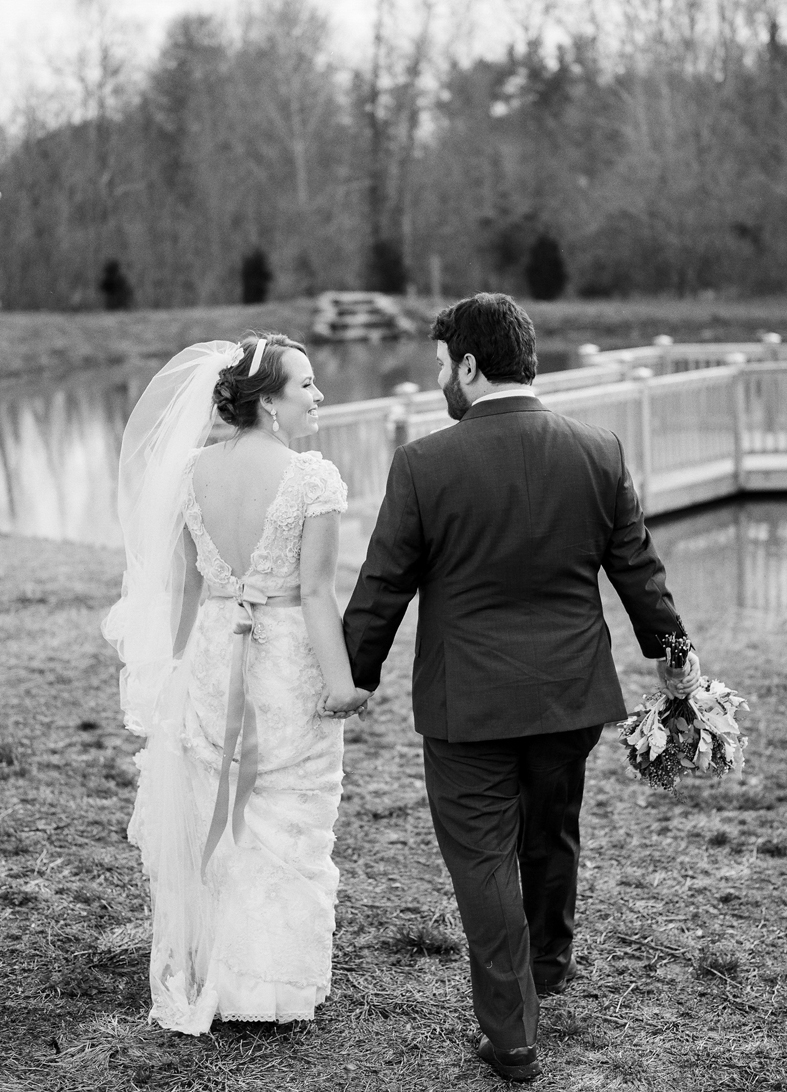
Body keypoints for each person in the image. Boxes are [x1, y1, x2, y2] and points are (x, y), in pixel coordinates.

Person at [336, 294, 700, 1082]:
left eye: (441, 364)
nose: (439, 378)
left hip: (468, 706)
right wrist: (674, 656)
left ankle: (512, 1036)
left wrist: (352, 676)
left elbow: (382, 587)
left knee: (484, 861)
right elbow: (637, 568)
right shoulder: (598, 449)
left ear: (469, 365)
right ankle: (550, 963)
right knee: (552, 827)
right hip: (571, 696)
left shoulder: (424, 464)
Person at [103, 333, 368, 1035]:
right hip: (282, 659)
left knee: (220, 813)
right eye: (306, 384)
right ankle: (271, 985)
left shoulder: (192, 472)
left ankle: (222, 972)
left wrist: (177, 672)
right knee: (288, 815)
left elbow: (188, 588)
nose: (319, 396)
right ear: (271, 403)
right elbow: (316, 596)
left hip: (215, 654)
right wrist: (341, 684)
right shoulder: (313, 479)